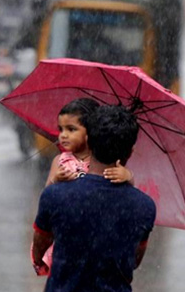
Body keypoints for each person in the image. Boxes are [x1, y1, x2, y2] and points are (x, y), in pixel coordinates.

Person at [31, 104, 156, 292]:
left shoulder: (56, 195)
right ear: (128, 152)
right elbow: (134, 262)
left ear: (90, 140)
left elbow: (40, 243)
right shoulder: (143, 206)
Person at [31, 98, 133, 278]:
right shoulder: (60, 161)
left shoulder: (104, 161)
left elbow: (124, 192)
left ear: (91, 132)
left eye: (71, 129)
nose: (63, 135)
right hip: (67, 231)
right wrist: (55, 180)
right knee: (57, 279)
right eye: (61, 129)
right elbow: (47, 197)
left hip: (95, 232)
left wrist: (128, 176)